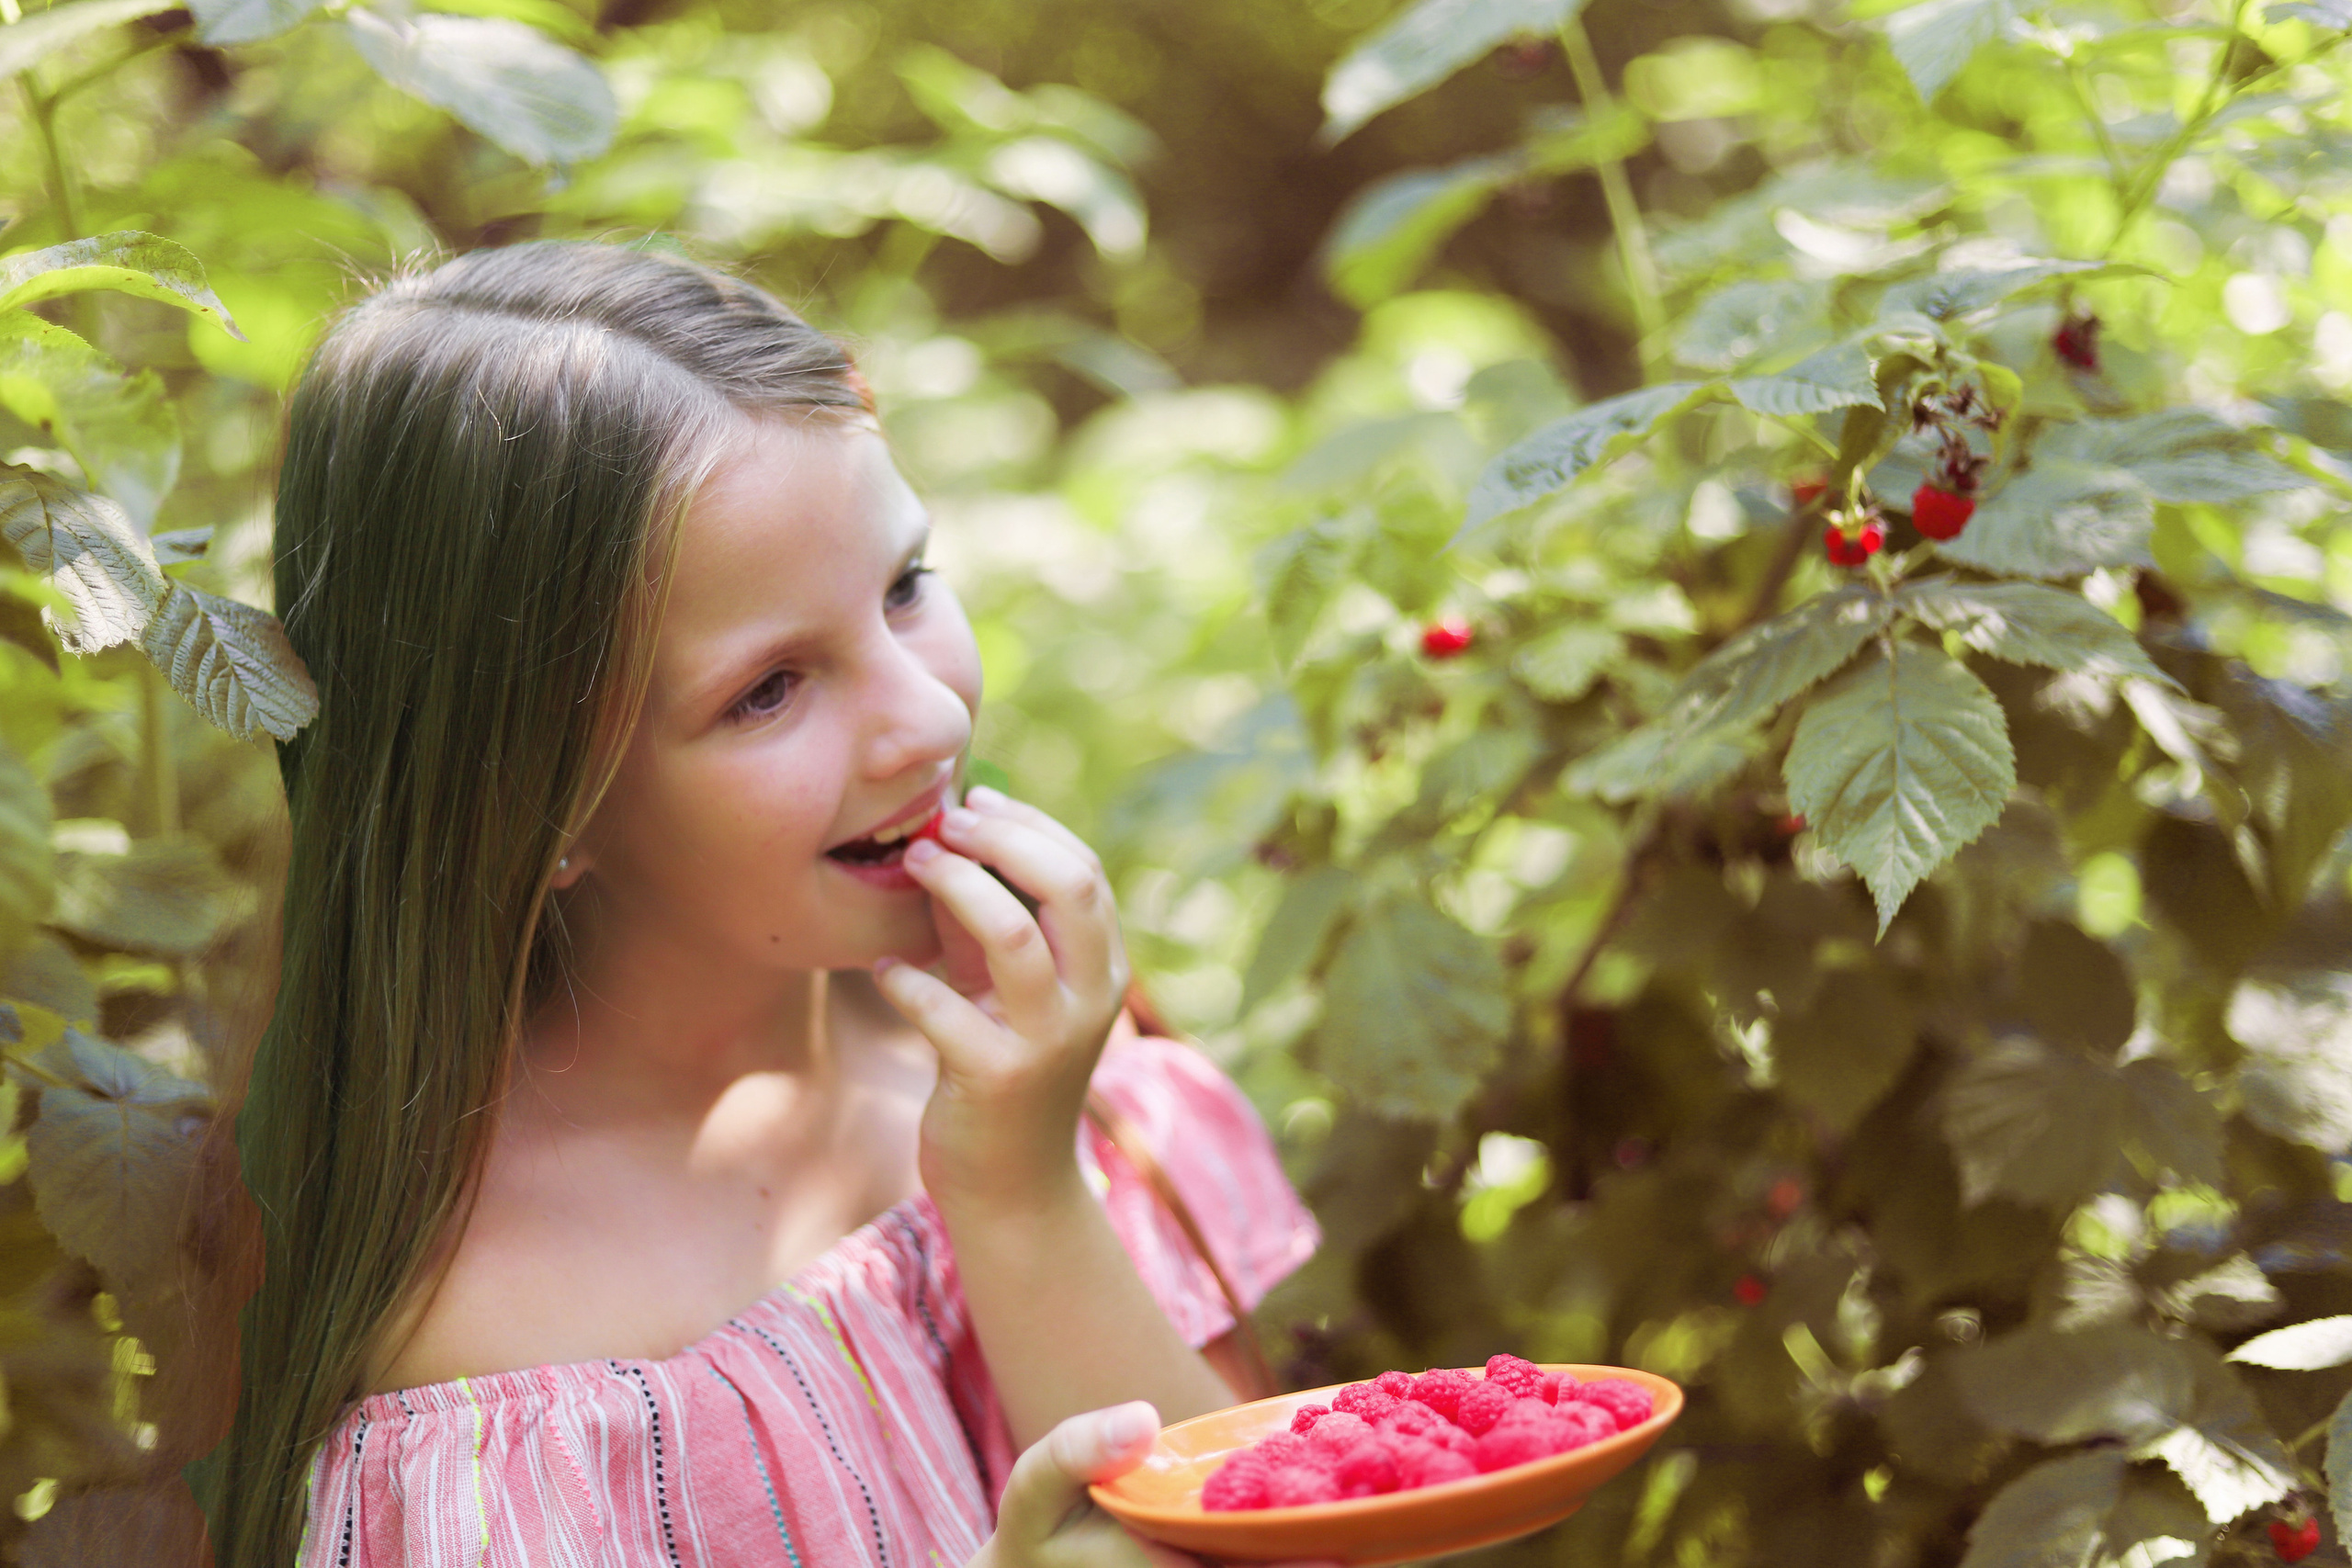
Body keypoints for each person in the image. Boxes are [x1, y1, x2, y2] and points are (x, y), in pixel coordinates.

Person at [193, 241, 1321, 1567]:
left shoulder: (1044, 1079)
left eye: (906, 585)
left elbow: (1304, 1541)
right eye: (769, 689)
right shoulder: (482, 1399)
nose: (932, 716)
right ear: (534, 806)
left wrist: (1022, 1193)